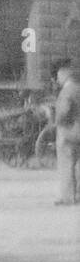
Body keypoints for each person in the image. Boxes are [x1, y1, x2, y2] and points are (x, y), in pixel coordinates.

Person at [52, 59, 79, 205]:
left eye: (59, 76)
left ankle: (68, 196)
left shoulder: (67, 91)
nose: (58, 80)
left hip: (68, 132)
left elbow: (64, 112)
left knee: (66, 163)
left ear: (64, 75)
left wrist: (56, 122)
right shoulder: (78, 88)